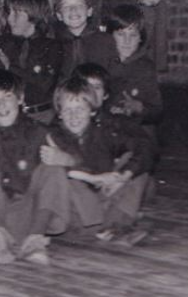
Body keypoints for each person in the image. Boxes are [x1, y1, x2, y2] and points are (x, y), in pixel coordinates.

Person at [0, 70, 70, 265]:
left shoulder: (38, 130)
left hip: (26, 215)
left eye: (8, 97)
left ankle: (35, 241)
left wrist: (65, 158)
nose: (1, 104)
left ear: (20, 99)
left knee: (53, 167)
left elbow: (79, 158)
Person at [46, 77, 155, 247]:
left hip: (105, 196)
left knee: (134, 164)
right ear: (59, 113)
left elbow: (144, 147)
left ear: (92, 110)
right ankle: (113, 226)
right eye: (68, 110)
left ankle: (113, 226)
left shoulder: (103, 132)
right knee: (63, 175)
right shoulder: (54, 136)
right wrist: (94, 177)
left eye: (80, 109)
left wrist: (122, 176)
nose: (74, 116)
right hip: (80, 211)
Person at [0, 0, 63, 124]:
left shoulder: (52, 47)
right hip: (8, 116)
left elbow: (43, 86)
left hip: (42, 116)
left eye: (17, 13)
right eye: (9, 12)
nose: (9, 19)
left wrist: (10, 67)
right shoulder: (2, 42)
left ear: (33, 16)